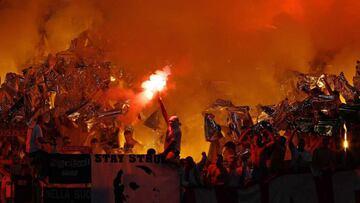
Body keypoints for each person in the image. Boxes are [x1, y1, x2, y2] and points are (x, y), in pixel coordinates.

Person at [158, 97, 182, 161]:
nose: (170, 122)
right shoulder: (169, 126)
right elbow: (164, 113)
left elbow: (172, 143)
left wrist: (164, 153)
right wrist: (160, 102)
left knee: (166, 160)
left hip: (173, 151)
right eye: (169, 121)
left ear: (176, 122)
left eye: (172, 121)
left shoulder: (177, 131)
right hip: (166, 150)